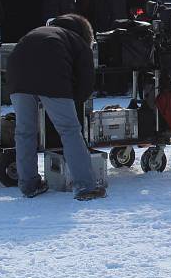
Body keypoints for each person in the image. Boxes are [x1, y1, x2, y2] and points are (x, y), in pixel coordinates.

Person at [7, 14, 106, 201]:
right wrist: (74, 101)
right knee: (69, 131)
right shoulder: (78, 41)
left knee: (24, 132)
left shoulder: (39, 32)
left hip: (17, 75)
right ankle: (86, 186)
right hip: (51, 76)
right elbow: (86, 82)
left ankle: (29, 184)